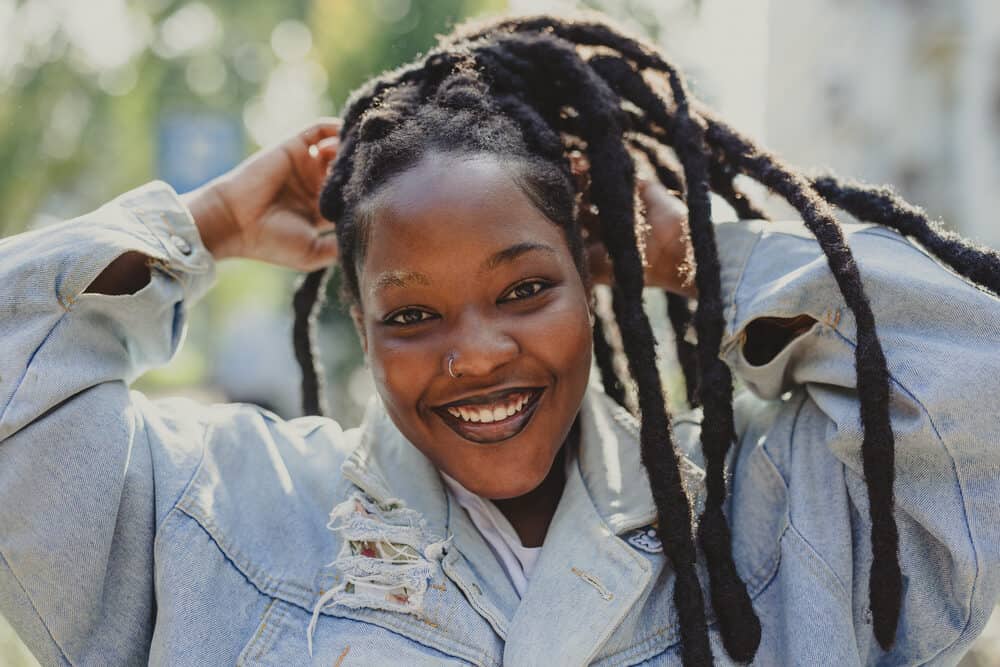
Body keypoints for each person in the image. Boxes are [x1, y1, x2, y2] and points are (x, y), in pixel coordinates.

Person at [1, 13, 999, 666]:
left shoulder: (775, 519)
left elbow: (971, 384)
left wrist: (699, 251)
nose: (473, 353)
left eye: (524, 288)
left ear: (593, 271)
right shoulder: (214, 514)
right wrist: (206, 221)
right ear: (357, 317)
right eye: (411, 314)